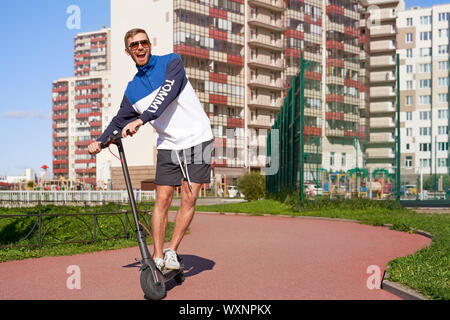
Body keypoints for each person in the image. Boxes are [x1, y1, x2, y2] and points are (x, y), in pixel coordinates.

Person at [88, 28, 214, 272]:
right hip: (168, 143)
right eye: (134, 45)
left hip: (199, 138)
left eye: (143, 42)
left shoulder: (171, 62)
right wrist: (100, 142)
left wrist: (141, 119)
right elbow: (117, 122)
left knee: (189, 196)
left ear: (149, 44)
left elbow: (166, 94)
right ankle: (157, 256)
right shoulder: (133, 90)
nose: (140, 48)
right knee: (163, 198)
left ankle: (172, 252)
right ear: (128, 52)